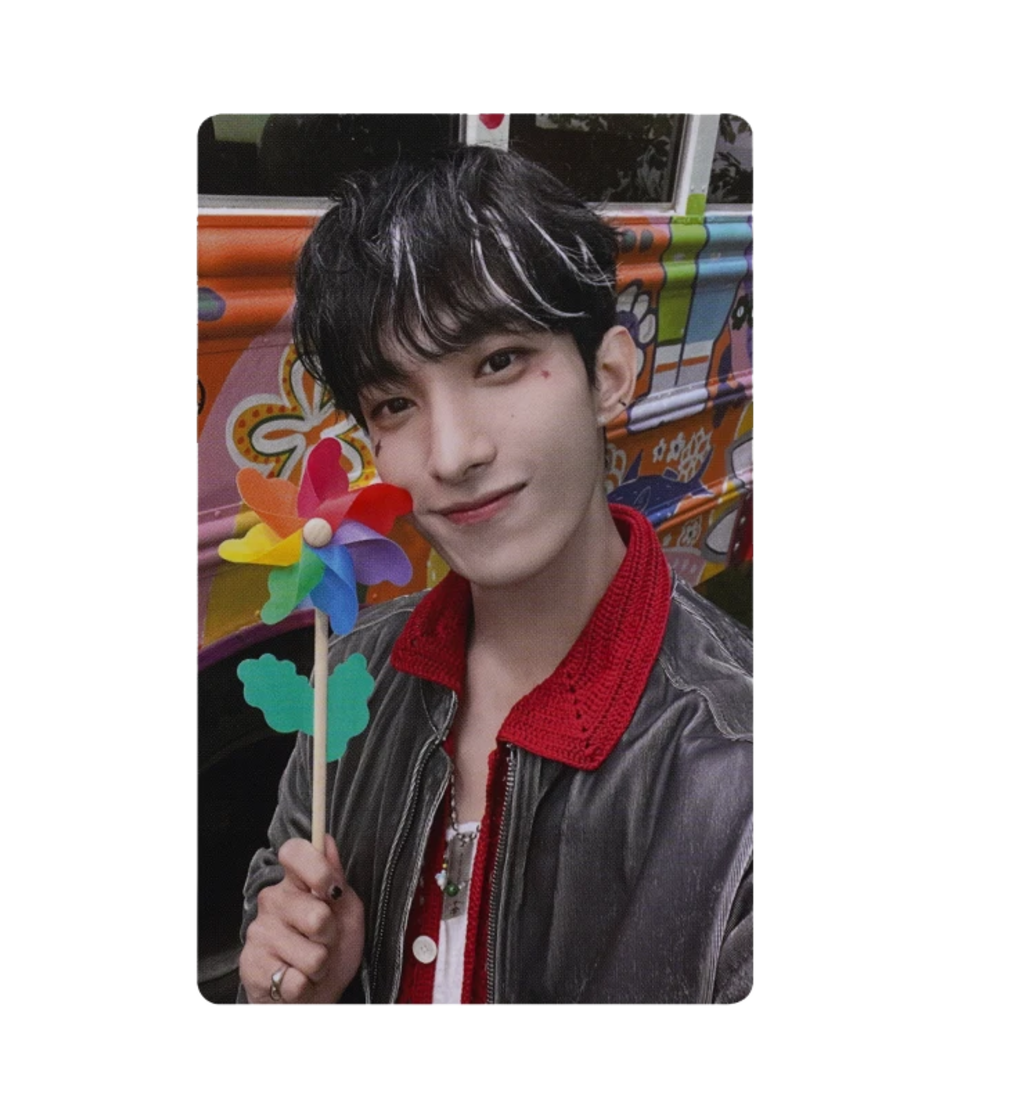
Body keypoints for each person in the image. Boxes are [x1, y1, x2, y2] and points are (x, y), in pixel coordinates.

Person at [237, 145, 753, 1004]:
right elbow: (278, 890)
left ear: (609, 375)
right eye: (395, 403)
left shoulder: (737, 770)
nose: (453, 455)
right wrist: (294, 979)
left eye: (499, 361)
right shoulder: (348, 678)